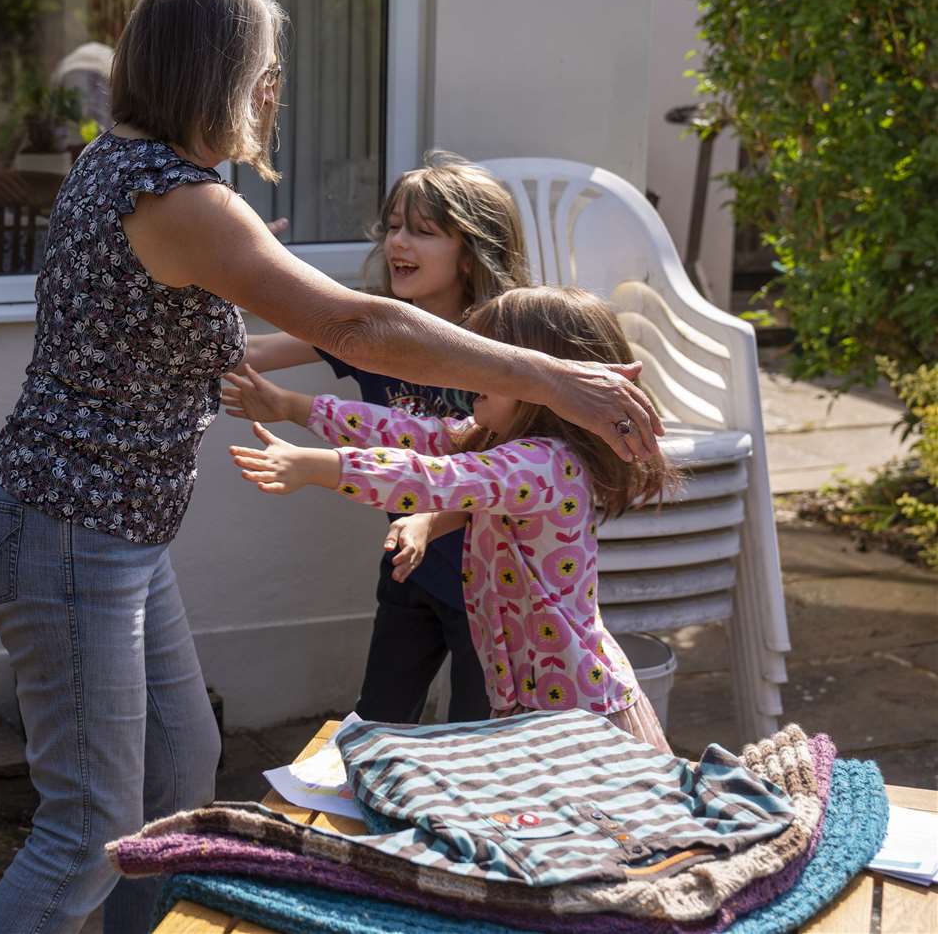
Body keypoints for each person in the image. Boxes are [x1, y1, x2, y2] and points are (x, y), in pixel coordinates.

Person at [0, 0, 663, 934]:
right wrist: (549, 376)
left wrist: (286, 387)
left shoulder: (119, 167)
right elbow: (359, 328)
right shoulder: (181, 198)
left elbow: (161, 350)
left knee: (177, 771)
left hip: (104, 534)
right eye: (264, 70)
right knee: (88, 827)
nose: (271, 93)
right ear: (218, 73)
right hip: (69, 531)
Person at [229, 286, 675, 751]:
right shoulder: (495, 440)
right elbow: (410, 433)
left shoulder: (544, 464)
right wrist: (294, 406)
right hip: (527, 707)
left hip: (574, 719)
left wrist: (317, 467)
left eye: (496, 365)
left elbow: (435, 479)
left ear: (550, 386)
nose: (472, 375)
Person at [221, 154, 530, 724]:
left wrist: (429, 519)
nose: (398, 244)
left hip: (489, 586)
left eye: (423, 231)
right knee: (378, 725)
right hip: (407, 567)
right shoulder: (368, 328)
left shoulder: (503, 349)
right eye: (393, 227)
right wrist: (216, 278)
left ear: (473, 252)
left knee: (476, 741)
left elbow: (504, 475)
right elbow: (248, 352)